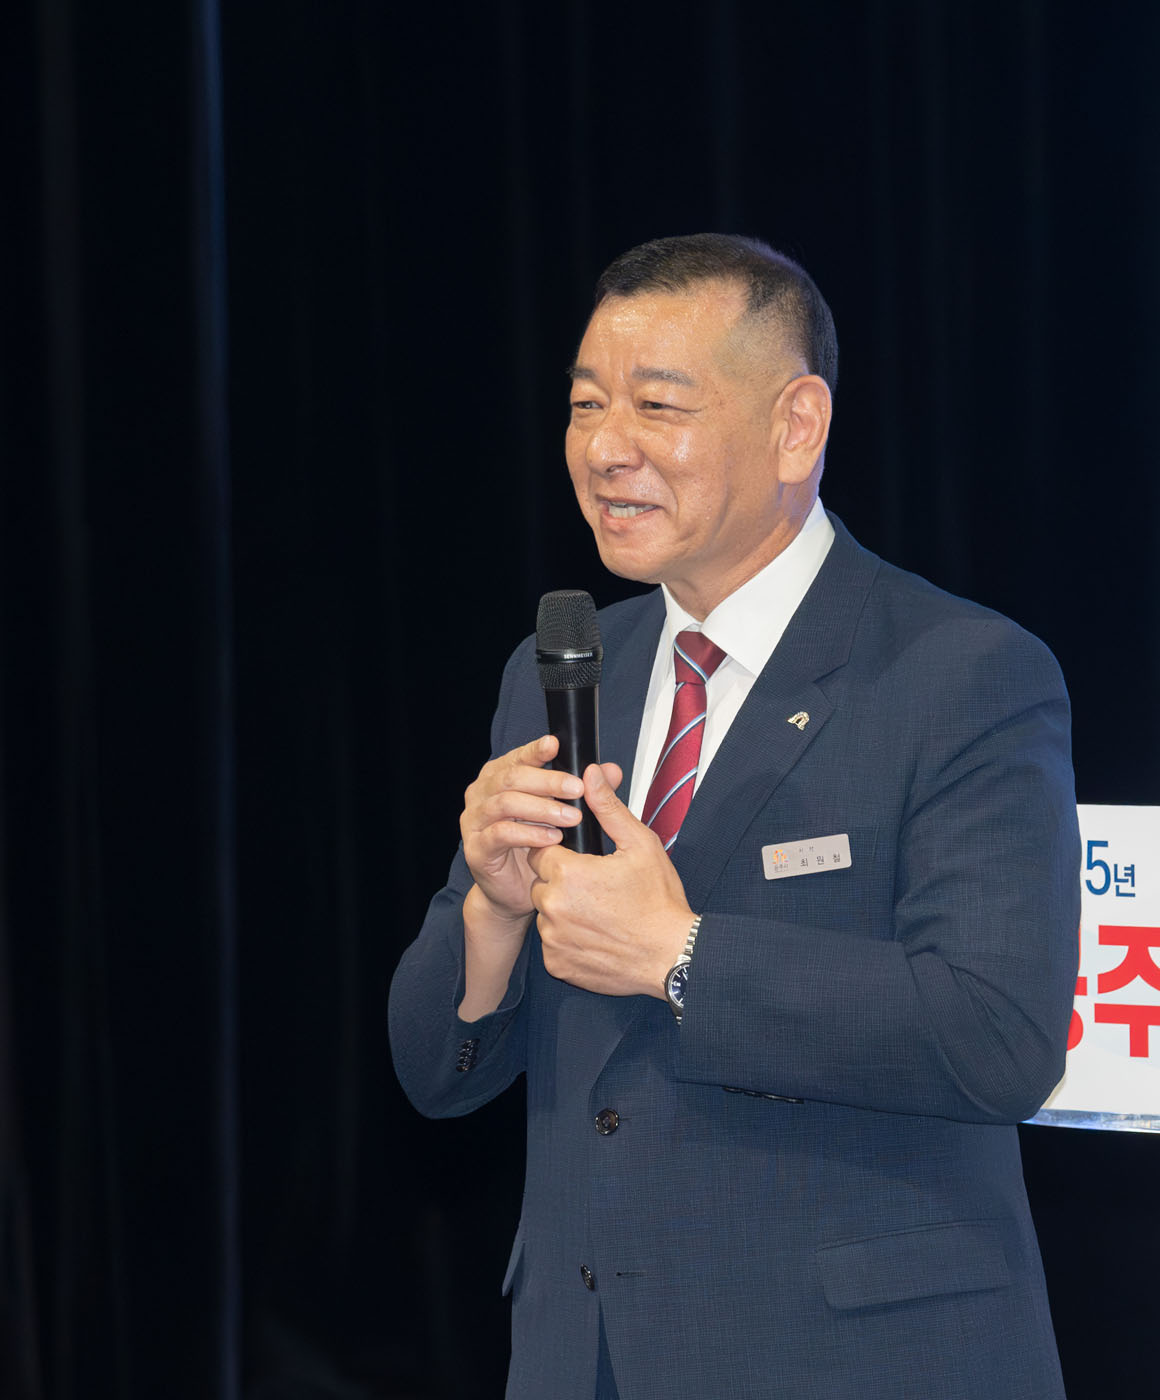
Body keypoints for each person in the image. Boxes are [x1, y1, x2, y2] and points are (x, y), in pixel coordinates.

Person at [389, 234, 1078, 1400]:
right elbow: (434, 1072)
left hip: (852, 1364)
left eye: (658, 406)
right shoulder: (564, 670)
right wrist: (493, 913)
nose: (605, 448)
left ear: (796, 426)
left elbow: (998, 1035)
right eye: (585, 404)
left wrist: (681, 952)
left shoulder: (958, 671)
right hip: (583, 1360)